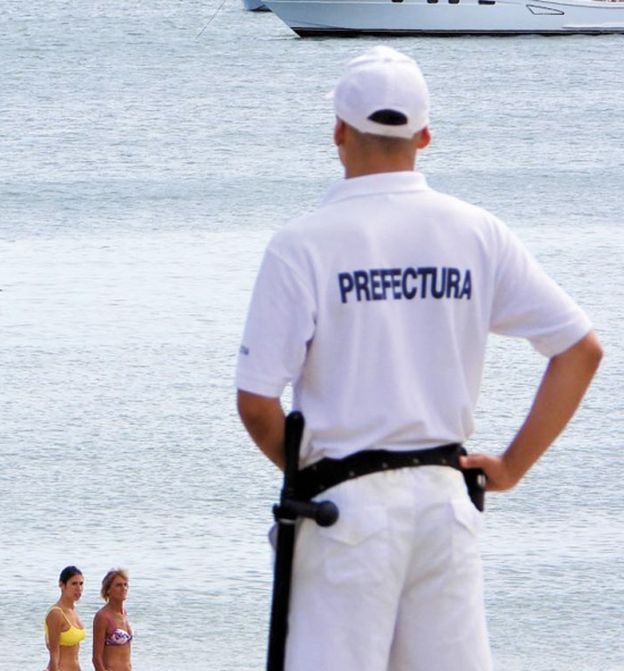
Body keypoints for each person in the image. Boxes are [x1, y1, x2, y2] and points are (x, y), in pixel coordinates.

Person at [235, 46, 602, 671]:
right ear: (424, 134)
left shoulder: (302, 245)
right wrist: (511, 466)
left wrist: (305, 471)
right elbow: (580, 349)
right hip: (445, 504)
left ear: (338, 131)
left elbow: (256, 400)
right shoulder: (476, 232)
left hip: (341, 511)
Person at [45, 566, 86, 671]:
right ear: (62, 585)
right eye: (74, 584)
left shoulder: (73, 610)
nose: (79, 588)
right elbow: (54, 655)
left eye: (81, 584)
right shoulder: (56, 613)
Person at [92, 568, 132, 671]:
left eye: (125, 584)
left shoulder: (124, 613)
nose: (123, 588)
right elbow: (96, 658)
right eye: (118, 585)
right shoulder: (103, 617)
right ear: (108, 590)